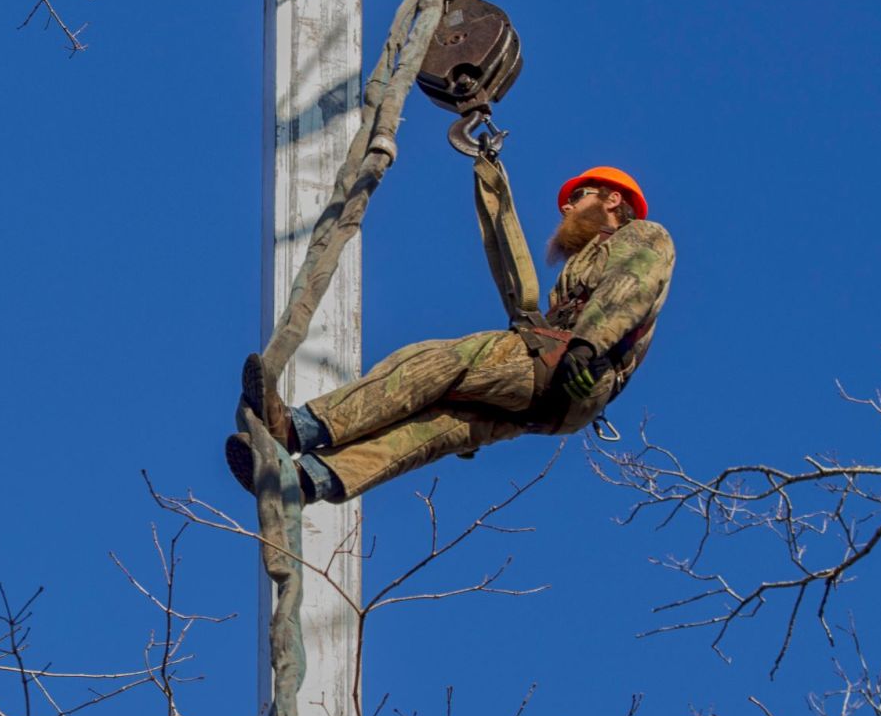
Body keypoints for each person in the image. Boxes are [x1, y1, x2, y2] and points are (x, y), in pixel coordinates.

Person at [227, 166, 675, 504]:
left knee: (438, 362)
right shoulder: (577, 267)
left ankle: (298, 428)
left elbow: (630, 287)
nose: (566, 206)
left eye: (578, 196)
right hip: (560, 403)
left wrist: (586, 345)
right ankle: (308, 482)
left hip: (574, 368)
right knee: (437, 427)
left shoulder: (643, 236)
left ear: (613, 200)